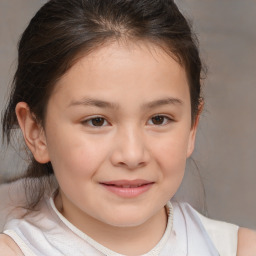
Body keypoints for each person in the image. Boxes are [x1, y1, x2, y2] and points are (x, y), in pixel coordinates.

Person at [0, 0, 256, 255]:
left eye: (159, 119)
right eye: (97, 121)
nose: (132, 155)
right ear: (36, 132)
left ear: (192, 127)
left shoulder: (241, 249)